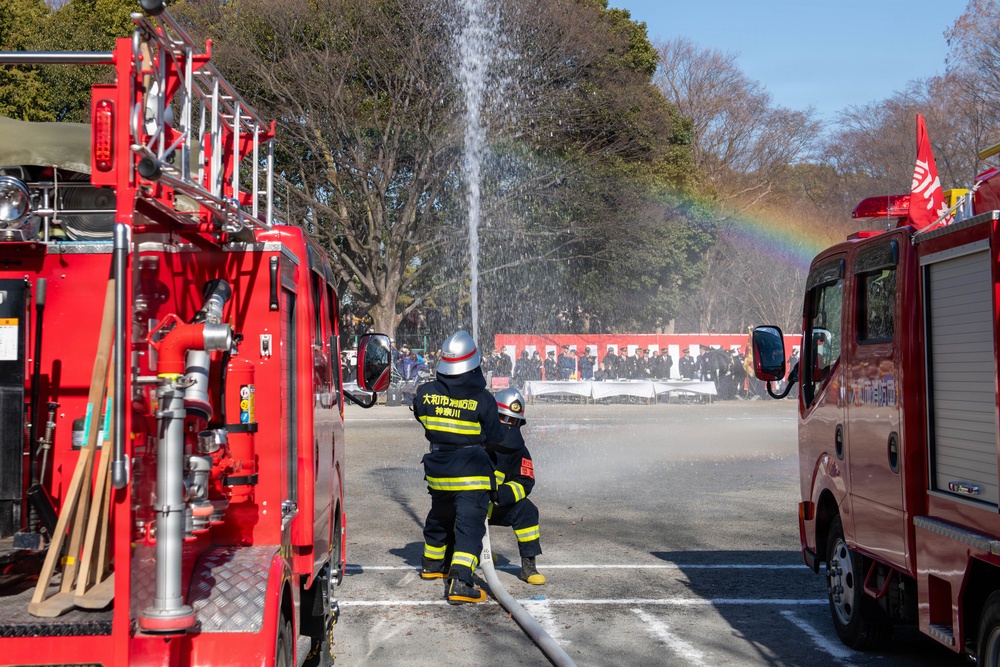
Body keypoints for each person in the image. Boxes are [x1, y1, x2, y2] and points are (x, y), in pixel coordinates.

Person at [413, 330, 504, 604]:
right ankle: (461, 581)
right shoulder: (483, 399)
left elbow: (420, 415)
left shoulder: (425, 393)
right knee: (469, 525)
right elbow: (495, 438)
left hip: (439, 472)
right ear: (473, 364)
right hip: (471, 474)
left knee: (440, 516)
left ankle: (431, 565)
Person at [488, 388, 545, 585]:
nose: (508, 425)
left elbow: (525, 482)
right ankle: (476, 551)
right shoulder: (476, 438)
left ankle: (528, 567)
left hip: (497, 505)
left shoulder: (520, 450)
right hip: (470, 503)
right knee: (452, 509)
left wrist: (499, 495)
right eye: (503, 418)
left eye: (512, 421)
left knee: (528, 510)